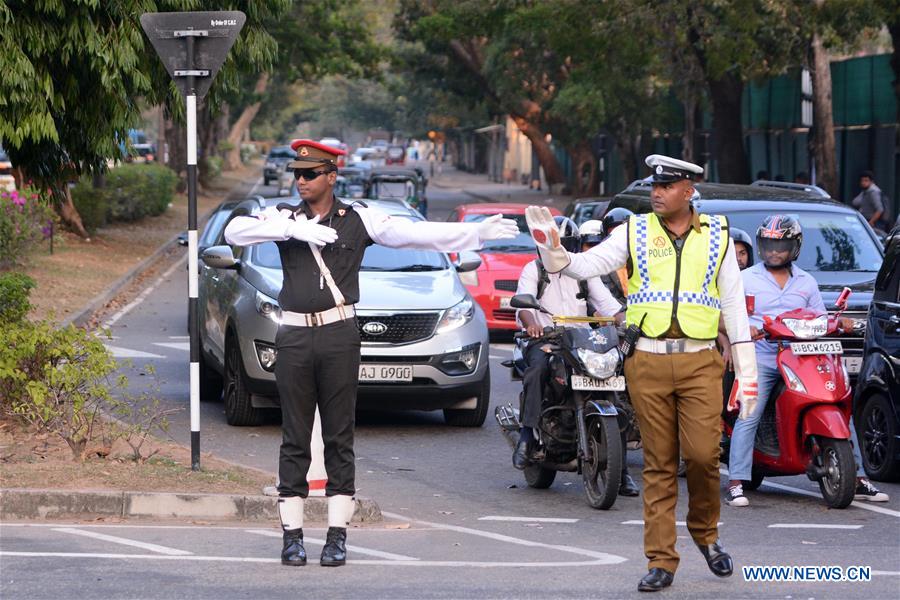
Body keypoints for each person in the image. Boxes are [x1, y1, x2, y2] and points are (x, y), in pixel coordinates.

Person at [224, 139, 517, 567]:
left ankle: (337, 536)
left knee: (339, 434)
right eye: (297, 175)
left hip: (339, 332)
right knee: (295, 436)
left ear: (331, 176)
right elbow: (235, 231)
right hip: (294, 335)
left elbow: (413, 234)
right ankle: (292, 536)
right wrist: (292, 229)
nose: (301, 181)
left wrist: (473, 233)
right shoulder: (283, 217)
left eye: (309, 174)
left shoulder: (357, 218)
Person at [526, 154, 757, 592]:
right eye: (655, 185)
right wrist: (552, 248)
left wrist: (747, 374)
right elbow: (582, 266)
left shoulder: (718, 236)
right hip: (647, 359)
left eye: (667, 186)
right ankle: (661, 560)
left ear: (688, 191)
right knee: (659, 464)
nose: (656, 192)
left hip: (700, 360)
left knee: (705, 457)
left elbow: (734, 308)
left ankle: (706, 535)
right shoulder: (634, 230)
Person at [726, 215, 889, 506]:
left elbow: (819, 316)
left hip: (801, 356)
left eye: (781, 245)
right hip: (762, 357)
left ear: (795, 247)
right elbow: (730, 314)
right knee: (750, 412)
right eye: (769, 245)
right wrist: (744, 329)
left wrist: (844, 324)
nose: (774, 251)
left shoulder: (807, 281)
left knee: (836, 403)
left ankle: (860, 477)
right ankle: (737, 480)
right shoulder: (745, 278)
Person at [512, 217, 637, 495]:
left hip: (582, 342)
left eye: (565, 248)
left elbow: (608, 306)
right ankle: (526, 436)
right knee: (538, 369)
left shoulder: (585, 273)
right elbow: (524, 303)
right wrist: (532, 323)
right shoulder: (533, 270)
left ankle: (622, 470)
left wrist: (625, 320)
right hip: (546, 339)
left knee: (615, 387)